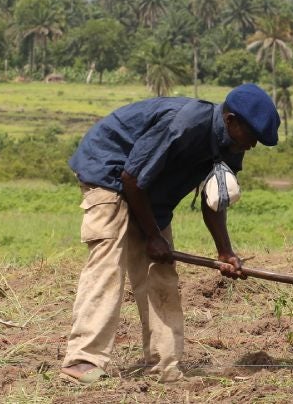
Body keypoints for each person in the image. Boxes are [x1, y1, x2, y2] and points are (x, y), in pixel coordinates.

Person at [60, 83, 279, 384]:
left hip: (149, 192)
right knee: (108, 263)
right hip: (111, 173)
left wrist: (225, 251)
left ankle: (164, 366)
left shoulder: (231, 144)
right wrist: (152, 236)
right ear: (231, 121)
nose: (253, 145)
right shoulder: (185, 124)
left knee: (162, 273)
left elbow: (214, 199)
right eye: (252, 137)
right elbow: (131, 178)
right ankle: (82, 360)